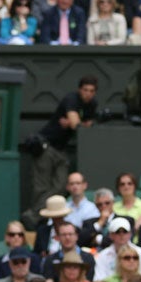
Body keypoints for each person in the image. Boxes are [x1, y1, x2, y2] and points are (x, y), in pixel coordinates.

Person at [21, 75, 98, 231]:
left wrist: (77, 124)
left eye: (91, 91)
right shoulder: (71, 99)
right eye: (85, 90)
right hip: (46, 147)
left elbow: (83, 124)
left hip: (62, 149)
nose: (88, 94)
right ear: (79, 89)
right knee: (41, 187)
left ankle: (33, 215)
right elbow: (77, 125)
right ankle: (36, 220)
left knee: (61, 186)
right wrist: (77, 123)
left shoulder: (92, 105)